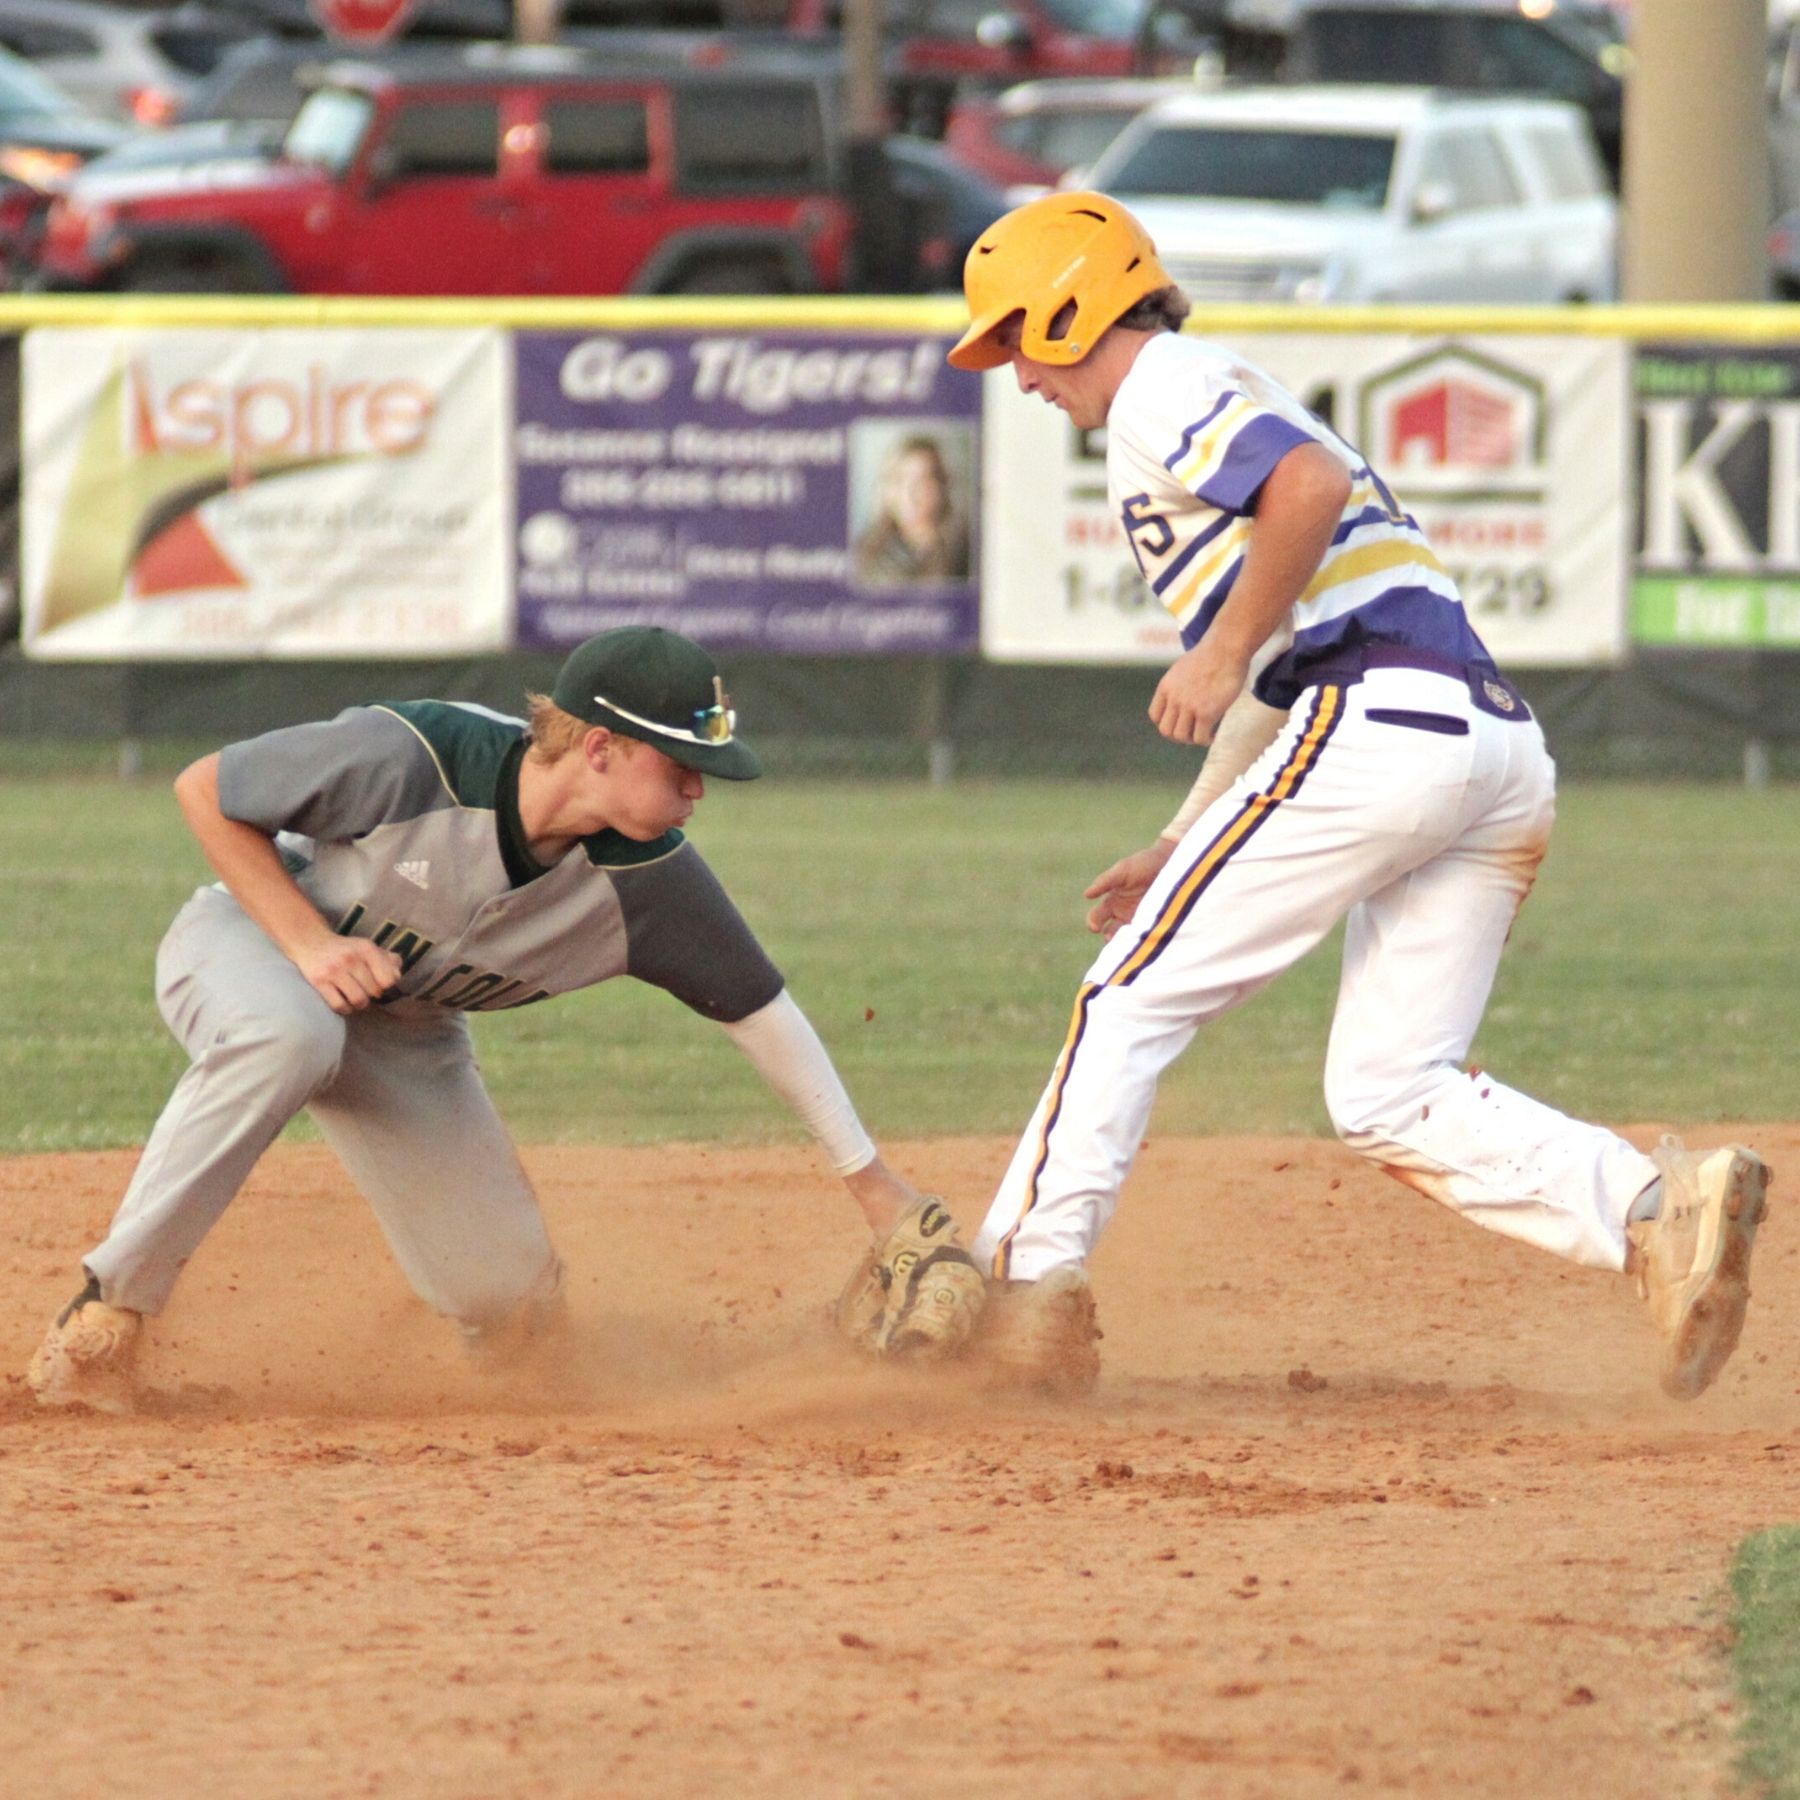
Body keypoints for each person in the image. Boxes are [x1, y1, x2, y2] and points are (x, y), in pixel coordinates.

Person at [943, 190, 1770, 1401]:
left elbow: (1310, 490)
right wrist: (1182, 837)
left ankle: (1020, 1294)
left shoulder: (1160, 382)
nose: (1017, 376)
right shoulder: (1199, 391)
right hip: (1486, 750)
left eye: (1015, 337)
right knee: (1389, 1090)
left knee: (1126, 998)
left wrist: (1218, 650)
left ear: (1072, 304)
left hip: (1381, 724)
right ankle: (1654, 1210)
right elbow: (1282, 666)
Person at [28, 625, 981, 1413]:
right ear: (600, 748)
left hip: (406, 1033)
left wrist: (875, 1188)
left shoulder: (651, 883)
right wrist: (308, 947)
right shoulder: (415, 755)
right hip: (253, 939)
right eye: (681, 764)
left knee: (510, 1305)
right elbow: (208, 788)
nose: (698, 788)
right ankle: (105, 1315)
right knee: (294, 1034)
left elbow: (764, 1018)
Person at [853, 433, 971, 586]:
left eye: (922, 480)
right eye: (898, 480)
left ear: (943, 486)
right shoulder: (865, 553)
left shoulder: (966, 552)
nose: (909, 494)